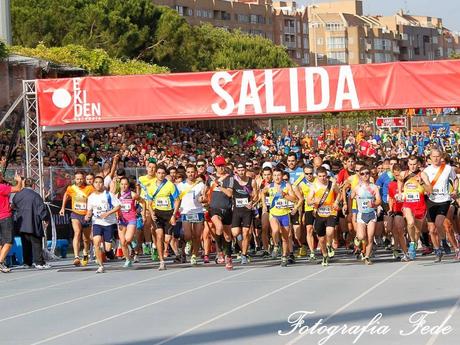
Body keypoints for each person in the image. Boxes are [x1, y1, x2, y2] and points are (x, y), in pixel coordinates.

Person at [424, 148, 458, 262]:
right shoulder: (426, 170)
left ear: (441, 157)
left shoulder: (448, 168)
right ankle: (437, 250)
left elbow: (455, 179)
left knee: (439, 223)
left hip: (444, 199)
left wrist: (455, 190)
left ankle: (443, 241)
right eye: (433, 156)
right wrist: (426, 188)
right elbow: (423, 184)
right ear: (430, 158)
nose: (436, 158)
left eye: (438, 156)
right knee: (431, 229)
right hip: (431, 200)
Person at [203, 156, 234, 270]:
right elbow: (205, 192)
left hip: (226, 208)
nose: (221, 168)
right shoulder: (210, 178)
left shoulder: (229, 178)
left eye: (222, 165)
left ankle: (228, 256)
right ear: (215, 166)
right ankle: (219, 251)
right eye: (219, 166)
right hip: (214, 208)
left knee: (227, 236)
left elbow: (229, 194)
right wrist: (203, 198)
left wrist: (219, 186)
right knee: (219, 227)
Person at [85, 176, 121, 273]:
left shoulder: (108, 195)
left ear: (103, 184)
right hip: (97, 222)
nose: (98, 184)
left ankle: (111, 246)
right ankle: (100, 265)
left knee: (108, 248)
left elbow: (118, 206)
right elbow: (89, 210)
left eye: (100, 182)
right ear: (93, 184)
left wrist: (108, 213)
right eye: (96, 182)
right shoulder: (91, 197)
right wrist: (87, 216)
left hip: (108, 223)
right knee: (96, 242)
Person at [262, 168, 298, 267]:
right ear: (272, 177)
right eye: (275, 175)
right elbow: (262, 193)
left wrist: (284, 195)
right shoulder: (269, 186)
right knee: (275, 230)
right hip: (273, 213)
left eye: (279, 175)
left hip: (285, 214)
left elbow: (294, 199)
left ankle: (284, 257)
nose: (277, 177)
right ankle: (276, 246)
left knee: (285, 238)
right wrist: (264, 205)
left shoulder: (286, 185)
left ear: (282, 176)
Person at [12, 178, 51, 269]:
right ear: (33, 185)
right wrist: (45, 219)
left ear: (24, 184)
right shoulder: (36, 195)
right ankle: (39, 262)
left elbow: (13, 206)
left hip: (21, 223)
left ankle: (27, 262)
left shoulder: (18, 195)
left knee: (25, 243)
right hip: (33, 222)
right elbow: (41, 209)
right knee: (36, 243)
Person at [147, 165, 179, 271]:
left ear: (165, 174)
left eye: (163, 173)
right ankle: (161, 261)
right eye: (159, 173)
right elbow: (149, 202)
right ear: (156, 173)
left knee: (167, 239)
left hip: (169, 213)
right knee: (159, 236)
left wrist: (174, 214)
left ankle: (167, 251)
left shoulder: (170, 185)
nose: (161, 175)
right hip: (157, 213)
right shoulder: (151, 186)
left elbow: (177, 200)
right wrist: (151, 213)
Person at [307, 167, 340, 267]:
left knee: (330, 231)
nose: (322, 178)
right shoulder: (314, 186)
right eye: (320, 176)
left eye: (324, 176)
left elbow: (339, 194)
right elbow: (308, 201)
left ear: (327, 175)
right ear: (317, 176)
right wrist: (314, 201)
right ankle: (325, 255)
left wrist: (336, 202)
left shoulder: (332, 184)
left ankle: (329, 245)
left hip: (331, 212)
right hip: (320, 213)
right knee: (321, 239)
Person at [60, 171, 94, 267]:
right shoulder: (71, 188)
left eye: (81, 179)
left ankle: (85, 253)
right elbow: (66, 195)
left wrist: (90, 212)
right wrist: (62, 207)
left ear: (84, 179)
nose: (79, 180)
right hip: (75, 214)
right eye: (77, 179)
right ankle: (76, 257)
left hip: (86, 215)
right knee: (77, 232)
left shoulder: (89, 188)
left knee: (86, 239)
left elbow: (94, 199)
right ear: (74, 179)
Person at [176, 164, 206, 265]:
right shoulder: (180, 185)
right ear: (186, 173)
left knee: (197, 236)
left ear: (195, 173)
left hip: (198, 211)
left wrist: (203, 199)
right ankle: (188, 243)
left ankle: (194, 255)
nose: (190, 174)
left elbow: (204, 197)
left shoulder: (201, 185)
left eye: (192, 172)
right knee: (188, 235)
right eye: (188, 172)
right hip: (186, 212)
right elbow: (177, 199)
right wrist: (176, 210)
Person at [351, 166, 381, 265]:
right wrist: (352, 212)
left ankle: (367, 256)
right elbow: (350, 198)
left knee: (370, 236)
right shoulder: (357, 188)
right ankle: (357, 238)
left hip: (371, 214)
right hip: (361, 214)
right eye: (363, 174)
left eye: (367, 173)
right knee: (362, 236)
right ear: (359, 175)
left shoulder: (374, 187)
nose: (365, 175)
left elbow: (379, 200)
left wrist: (373, 204)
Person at [231, 163, 258, 264]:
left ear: (246, 170)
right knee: (235, 233)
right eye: (239, 170)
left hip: (247, 211)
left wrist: (252, 202)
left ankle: (244, 254)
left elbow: (256, 196)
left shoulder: (252, 181)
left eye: (243, 170)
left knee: (246, 233)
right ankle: (242, 247)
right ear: (236, 170)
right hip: (237, 210)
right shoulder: (233, 181)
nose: (241, 172)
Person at [0, 172, 23, 273]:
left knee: (1, 242)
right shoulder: (2, 187)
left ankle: (1, 261)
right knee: (8, 242)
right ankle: (0, 262)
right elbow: (18, 189)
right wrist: (19, 181)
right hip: (4, 216)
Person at [117, 177, 139, 268]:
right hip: (121, 221)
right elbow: (113, 207)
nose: (123, 186)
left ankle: (133, 239)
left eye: (125, 184)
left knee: (127, 239)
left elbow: (143, 202)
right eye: (122, 184)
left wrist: (142, 213)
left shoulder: (133, 194)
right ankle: (127, 259)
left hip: (131, 219)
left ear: (128, 185)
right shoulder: (116, 195)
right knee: (123, 242)